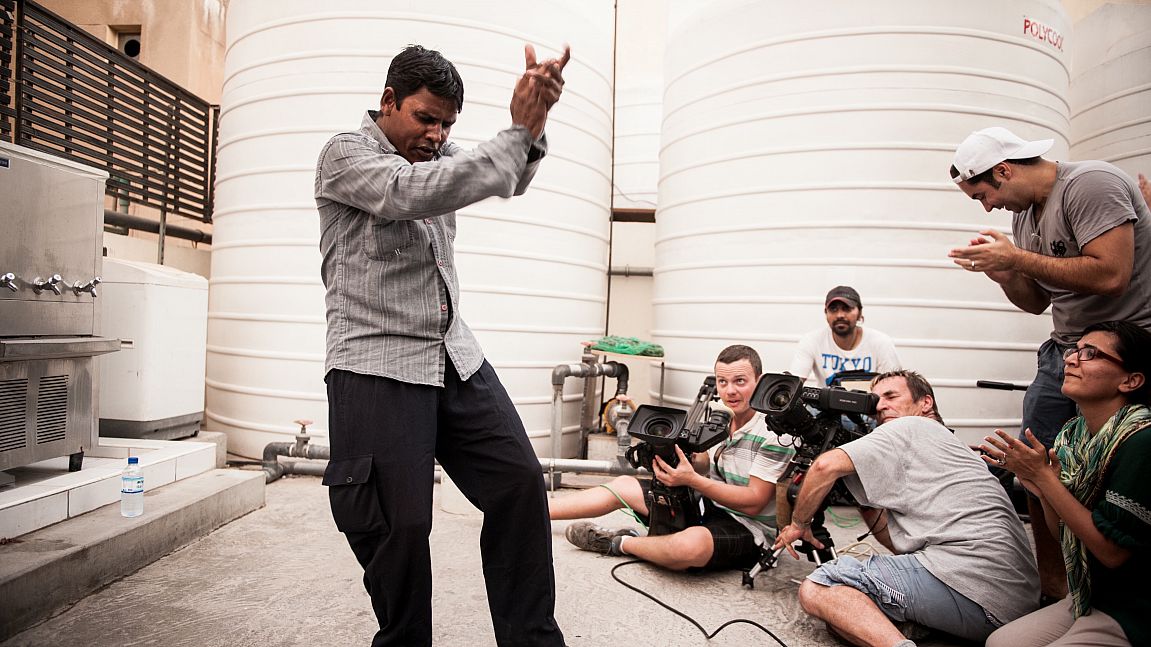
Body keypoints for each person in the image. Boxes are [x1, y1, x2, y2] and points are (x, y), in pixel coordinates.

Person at [313, 44, 570, 647]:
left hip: (454, 355)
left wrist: (532, 127)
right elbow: (410, 192)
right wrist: (513, 134)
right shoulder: (345, 155)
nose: (437, 135)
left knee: (519, 484)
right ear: (388, 101)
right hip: (376, 362)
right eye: (426, 118)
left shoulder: (438, 155)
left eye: (448, 124)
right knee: (399, 527)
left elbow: (502, 175)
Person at [948, 126, 1151, 601]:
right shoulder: (1026, 217)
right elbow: (1037, 301)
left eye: (983, 195)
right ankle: (1054, 587)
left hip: (1123, 351)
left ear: (1003, 171)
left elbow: (1112, 274)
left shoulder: (1091, 184)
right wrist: (1005, 274)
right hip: (1064, 349)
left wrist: (1018, 258)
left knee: (1121, 463)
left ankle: (1124, 587)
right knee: (1033, 462)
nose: (987, 208)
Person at [772, 370, 1039, 646]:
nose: (880, 405)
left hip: (976, 587)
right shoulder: (946, 444)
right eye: (876, 399)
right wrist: (863, 496)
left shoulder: (909, 426)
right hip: (1013, 600)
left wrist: (799, 524)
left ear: (925, 403)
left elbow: (824, 466)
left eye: (891, 396)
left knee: (820, 587)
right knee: (850, 617)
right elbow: (900, 545)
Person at [982, 321, 1151, 647]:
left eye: (1091, 353)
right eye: (1075, 350)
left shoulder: (1141, 440)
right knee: (1000, 643)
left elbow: (1112, 553)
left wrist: (1046, 479)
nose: (1071, 359)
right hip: (1091, 595)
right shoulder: (1073, 435)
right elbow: (1063, 533)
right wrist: (1042, 484)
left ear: (1131, 380)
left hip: (1134, 607)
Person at [553, 345, 796, 571]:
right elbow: (705, 465)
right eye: (723, 382)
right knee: (625, 485)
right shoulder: (722, 417)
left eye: (740, 381)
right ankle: (540, 512)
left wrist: (692, 480)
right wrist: (679, 455)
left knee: (689, 547)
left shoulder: (774, 433)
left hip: (748, 527)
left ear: (759, 382)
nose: (730, 391)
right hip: (708, 504)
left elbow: (754, 501)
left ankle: (619, 542)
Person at [788, 286, 901, 386]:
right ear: (826, 313)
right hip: (826, 403)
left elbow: (894, 386)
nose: (840, 315)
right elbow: (794, 383)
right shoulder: (812, 340)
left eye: (847, 308)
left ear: (860, 313)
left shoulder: (881, 342)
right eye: (833, 309)